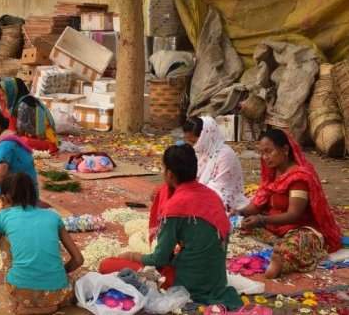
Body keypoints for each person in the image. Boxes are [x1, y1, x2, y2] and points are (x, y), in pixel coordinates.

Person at [103, 143, 242, 310]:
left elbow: (159, 259)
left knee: (107, 265)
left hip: (189, 284)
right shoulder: (211, 196)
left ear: (169, 174)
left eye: (163, 169)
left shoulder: (176, 205)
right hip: (216, 279)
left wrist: (133, 256)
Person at [0, 173, 83, 315]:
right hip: (57, 292)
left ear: (4, 198)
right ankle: (50, 307)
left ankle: (28, 307)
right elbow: (78, 260)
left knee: (5, 236)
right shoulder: (53, 216)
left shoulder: (1, 217)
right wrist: (57, 273)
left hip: (21, 291)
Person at [237, 129, 342, 278]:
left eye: (269, 152)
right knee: (241, 227)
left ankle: (282, 261)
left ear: (285, 149)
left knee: (296, 245)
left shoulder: (299, 178)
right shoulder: (272, 173)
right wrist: (238, 213)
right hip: (276, 228)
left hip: (300, 228)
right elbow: (258, 205)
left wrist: (262, 219)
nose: (265, 157)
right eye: (262, 153)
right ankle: (277, 246)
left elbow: (294, 214)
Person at [181, 116, 248, 211]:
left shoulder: (225, 155)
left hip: (223, 199)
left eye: (193, 142)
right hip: (200, 193)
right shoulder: (200, 152)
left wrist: (193, 194)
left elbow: (220, 190)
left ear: (205, 137)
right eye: (188, 141)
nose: (192, 145)